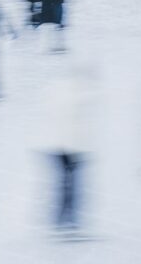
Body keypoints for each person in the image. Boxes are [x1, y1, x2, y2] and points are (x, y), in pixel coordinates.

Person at [46, 62, 95, 237]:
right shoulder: (76, 95)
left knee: (65, 183)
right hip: (67, 146)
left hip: (60, 145)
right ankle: (67, 219)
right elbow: (71, 123)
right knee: (70, 184)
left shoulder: (61, 90)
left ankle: (62, 218)